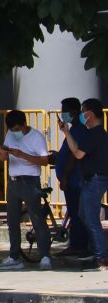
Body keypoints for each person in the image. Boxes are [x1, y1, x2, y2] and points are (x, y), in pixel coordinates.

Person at [0, 110, 52, 270]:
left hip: (30, 181)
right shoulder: (10, 134)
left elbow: (44, 161)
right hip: (13, 181)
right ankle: (14, 256)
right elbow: (4, 159)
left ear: (24, 125)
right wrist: (2, 153)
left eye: (17, 129)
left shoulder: (36, 136)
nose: (15, 133)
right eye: (12, 130)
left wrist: (22, 155)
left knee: (37, 219)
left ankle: (45, 256)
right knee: (12, 220)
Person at [59, 98, 108, 271]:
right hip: (90, 180)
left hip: (94, 180)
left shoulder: (95, 133)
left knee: (91, 218)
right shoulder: (93, 133)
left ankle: (101, 258)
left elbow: (78, 154)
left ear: (90, 114)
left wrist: (66, 134)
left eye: (83, 112)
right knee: (84, 215)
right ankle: (96, 252)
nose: (80, 115)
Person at [53, 98, 89, 258]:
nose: (63, 114)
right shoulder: (73, 130)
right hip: (73, 180)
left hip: (74, 181)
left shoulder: (78, 130)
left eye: (64, 110)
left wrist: (65, 177)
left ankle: (78, 246)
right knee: (75, 213)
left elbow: (74, 156)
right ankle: (77, 245)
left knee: (76, 214)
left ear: (73, 112)